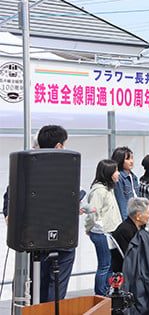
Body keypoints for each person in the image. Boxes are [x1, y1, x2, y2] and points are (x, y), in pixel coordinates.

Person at [36, 125, 76, 302]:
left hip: (36, 239)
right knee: (57, 290)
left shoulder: (29, 166)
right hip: (63, 240)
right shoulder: (68, 167)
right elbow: (76, 195)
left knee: (38, 286)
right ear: (59, 146)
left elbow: (10, 192)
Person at [86, 159, 123, 295]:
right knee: (104, 265)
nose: (118, 174)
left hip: (108, 233)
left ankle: (105, 293)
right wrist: (97, 227)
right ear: (108, 173)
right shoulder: (99, 191)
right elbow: (93, 212)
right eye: (115, 171)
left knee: (109, 266)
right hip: (102, 233)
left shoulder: (108, 189)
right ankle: (101, 295)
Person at [111, 197, 149, 273]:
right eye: (148, 212)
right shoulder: (125, 231)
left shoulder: (139, 228)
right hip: (131, 271)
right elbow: (131, 256)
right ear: (138, 216)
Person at [111, 146, 139, 220]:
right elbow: (121, 201)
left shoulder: (134, 177)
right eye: (127, 159)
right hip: (128, 217)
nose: (131, 161)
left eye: (132, 158)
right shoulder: (119, 177)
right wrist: (125, 220)